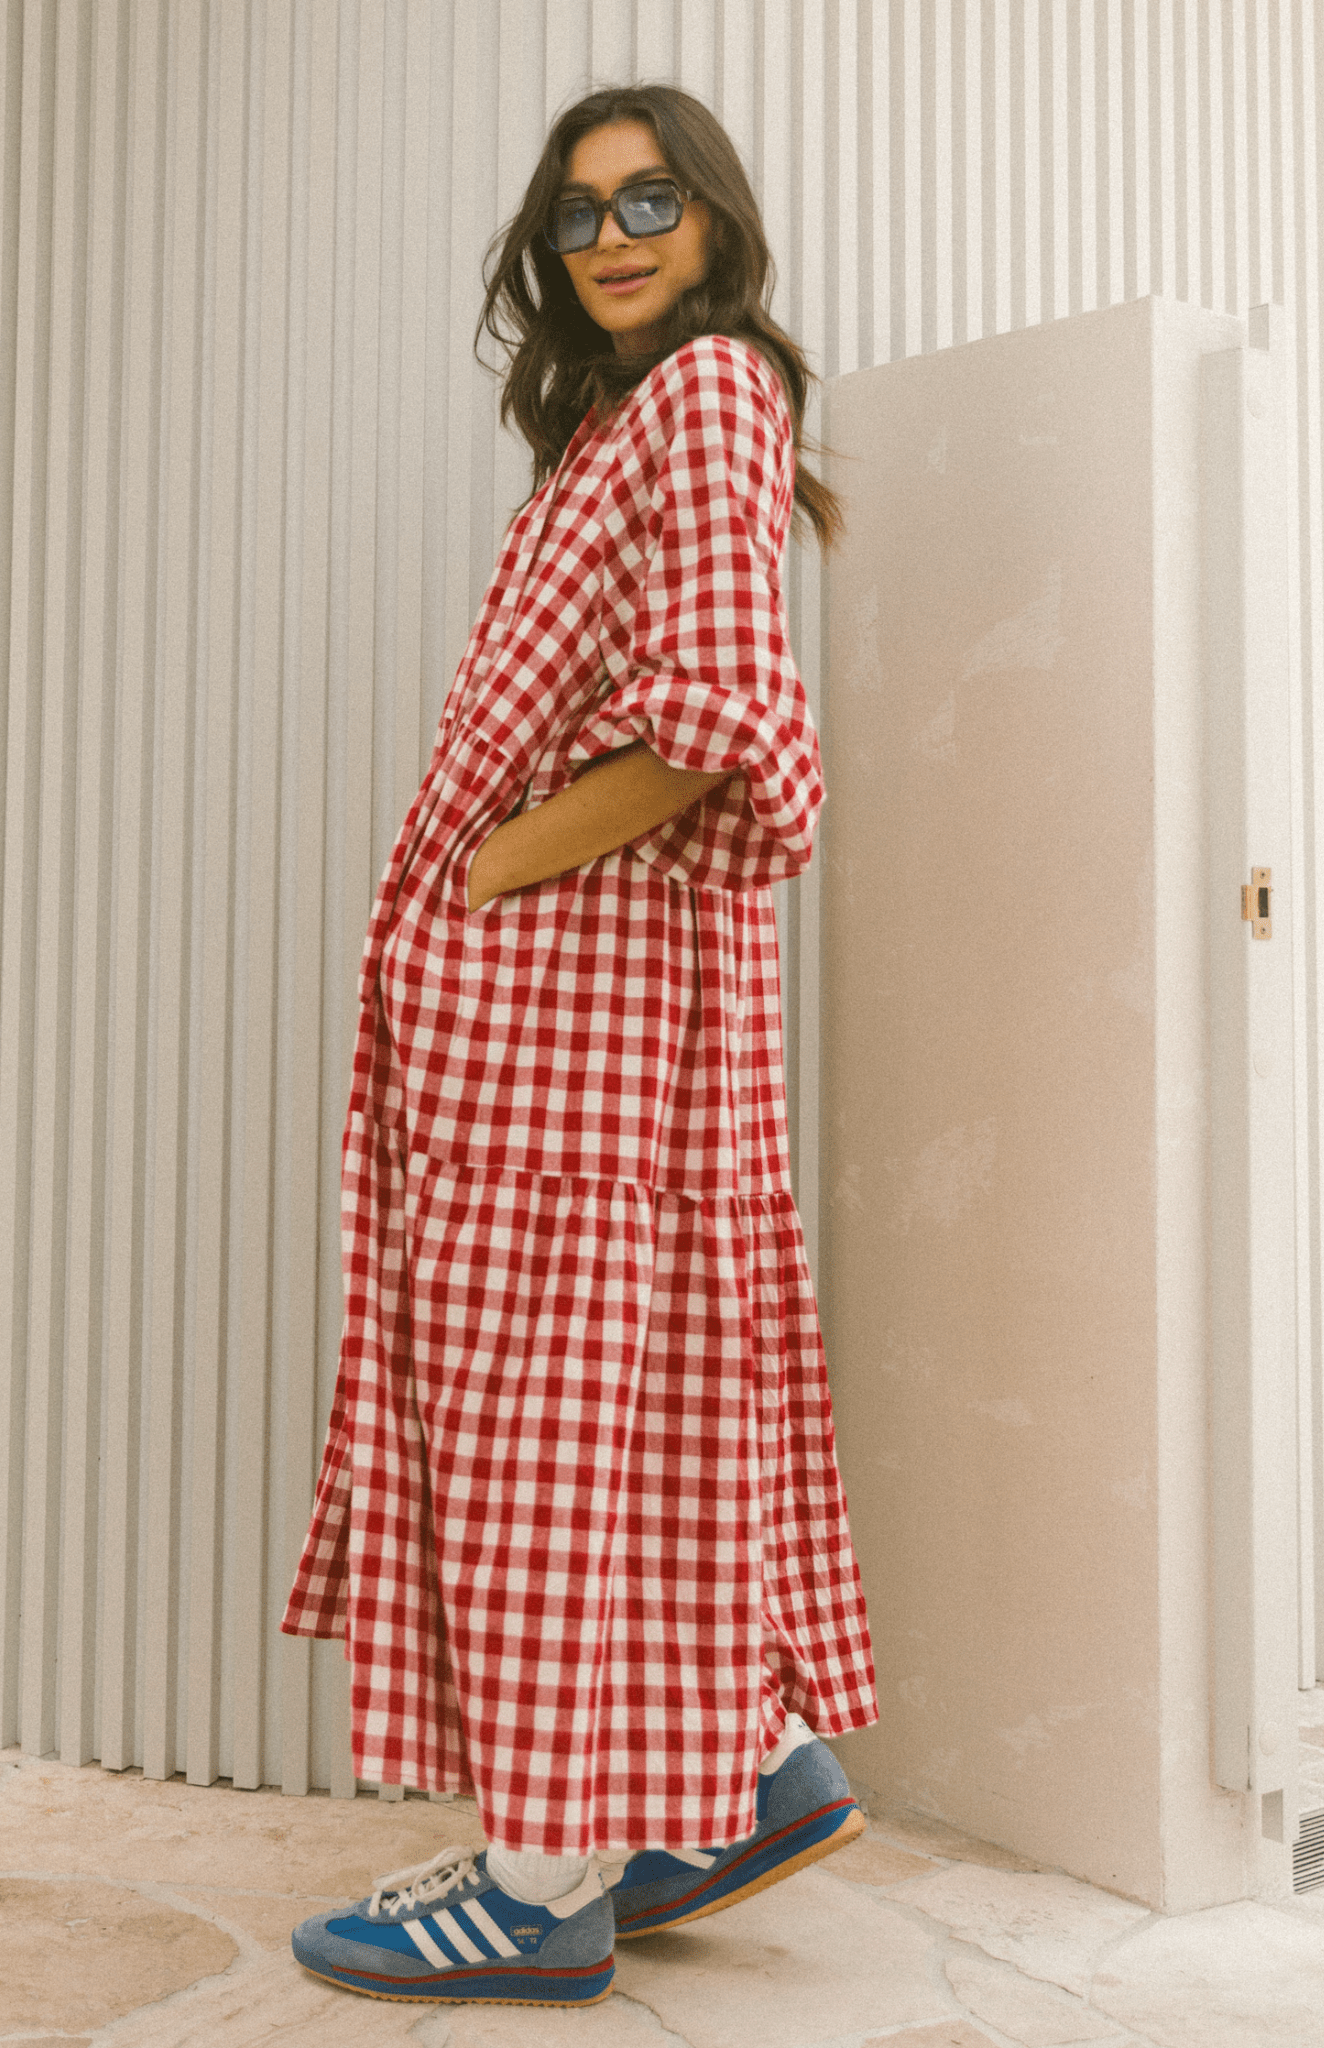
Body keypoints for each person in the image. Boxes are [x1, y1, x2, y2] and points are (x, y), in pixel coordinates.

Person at [285, 82, 878, 2010]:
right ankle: (737, 1777)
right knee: (623, 1419)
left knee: (544, 1428)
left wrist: (491, 878)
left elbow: (716, 710)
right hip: (574, 1027)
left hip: (575, 1022)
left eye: (647, 199)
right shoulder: (616, 429)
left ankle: (544, 1886)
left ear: (712, 216)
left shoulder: (705, 396)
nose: (611, 236)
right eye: (575, 217)